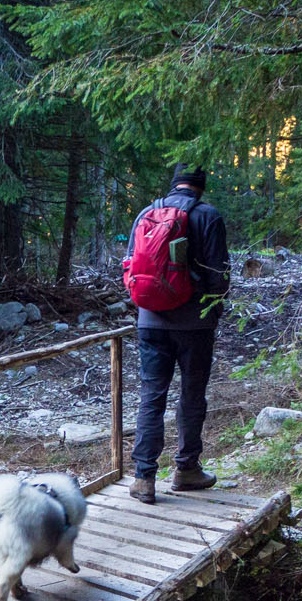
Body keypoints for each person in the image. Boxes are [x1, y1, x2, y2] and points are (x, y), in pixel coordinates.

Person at [126, 164, 229, 503]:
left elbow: (130, 265)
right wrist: (213, 309)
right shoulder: (208, 216)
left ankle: (144, 478)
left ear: (173, 184)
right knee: (191, 394)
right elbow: (218, 275)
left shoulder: (147, 212)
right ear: (201, 186)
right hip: (195, 323)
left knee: (152, 394)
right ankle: (186, 469)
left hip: (150, 320)